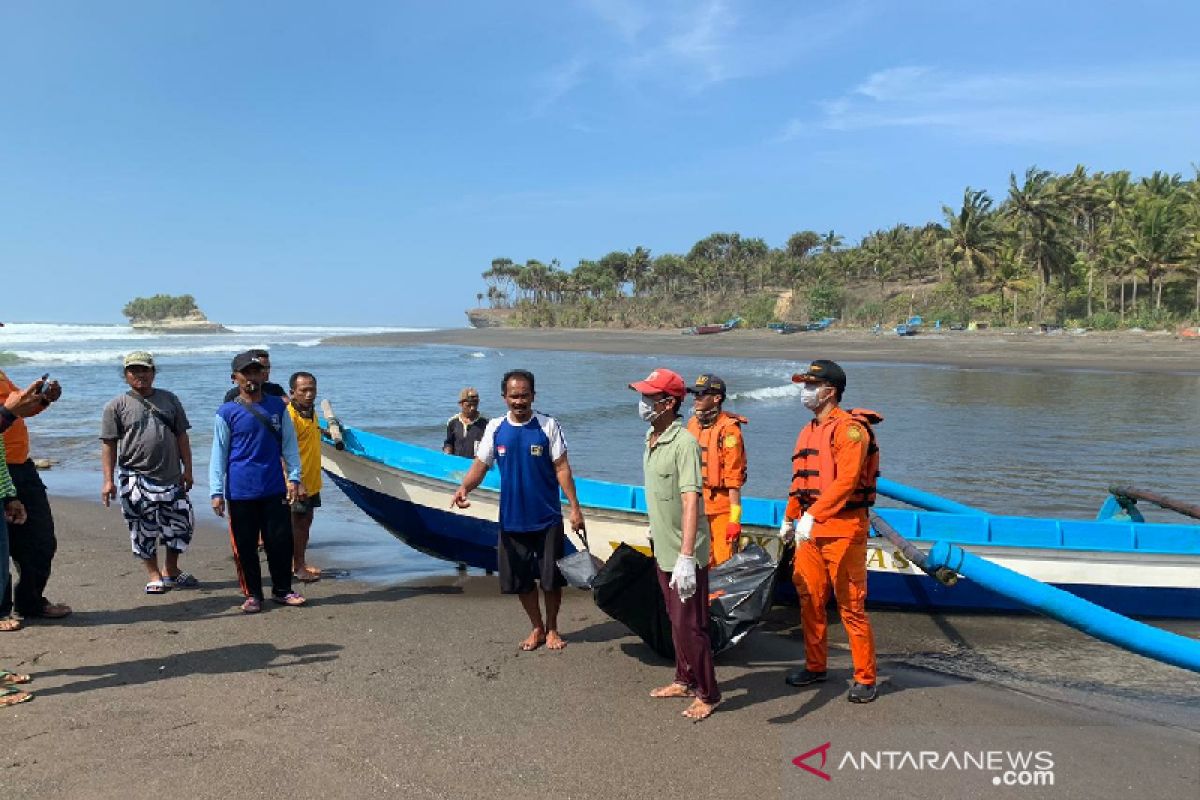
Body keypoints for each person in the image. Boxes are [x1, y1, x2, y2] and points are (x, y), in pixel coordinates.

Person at [451, 370, 584, 652]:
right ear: (504, 398)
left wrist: (575, 508)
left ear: (533, 396)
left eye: (524, 395)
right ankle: (536, 627)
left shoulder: (548, 425)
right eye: (514, 396)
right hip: (512, 519)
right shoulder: (496, 428)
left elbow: (562, 468)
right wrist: (464, 488)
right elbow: (481, 465)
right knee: (521, 580)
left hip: (547, 518)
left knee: (550, 580)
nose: (519, 401)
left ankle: (553, 628)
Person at [781, 359, 882, 703]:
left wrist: (814, 516)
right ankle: (815, 665)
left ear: (830, 391)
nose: (805, 391)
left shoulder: (851, 430)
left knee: (851, 605)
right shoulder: (808, 430)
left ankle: (865, 677)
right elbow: (800, 483)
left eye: (811, 385)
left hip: (844, 528)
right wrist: (790, 518)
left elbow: (846, 482)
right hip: (811, 530)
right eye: (804, 385)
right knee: (809, 597)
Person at [629, 368, 720, 721]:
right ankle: (683, 677)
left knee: (690, 624)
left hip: (685, 553)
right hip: (663, 546)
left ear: (668, 403)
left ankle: (708, 692)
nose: (643, 403)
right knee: (674, 619)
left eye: (649, 397)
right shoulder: (651, 438)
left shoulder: (684, 444)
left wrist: (686, 556)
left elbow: (690, 499)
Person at [210, 352, 306, 613]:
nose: (251, 377)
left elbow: (289, 446)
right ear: (235, 378)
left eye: (256, 372)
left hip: (274, 486)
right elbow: (218, 453)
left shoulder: (278, 406)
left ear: (263, 375)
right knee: (245, 546)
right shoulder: (227, 412)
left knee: (280, 542)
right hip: (240, 490)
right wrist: (216, 491)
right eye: (246, 373)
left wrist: (295, 477)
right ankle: (253, 594)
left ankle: (282, 590)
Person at [100, 352, 198, 594]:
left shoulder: (170, 399)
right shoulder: (116, 406)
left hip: (172, 476)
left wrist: (188, 470)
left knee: (181, 524)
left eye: (145, 370)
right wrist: (108, 481)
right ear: (126, 376)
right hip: (135, 477)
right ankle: (154, 575)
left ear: (153, 372)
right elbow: (109, 444)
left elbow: (182, 436)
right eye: (134, 371)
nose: (140, 375)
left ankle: (171, 570)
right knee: (143, 528)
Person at [0, 368, 71, 625]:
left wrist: (43, 399)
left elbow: (19, 409)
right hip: (2, 466)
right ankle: (1, 610)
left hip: (19, 465)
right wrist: (10, 411)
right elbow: (9, 412)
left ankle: (30, 601)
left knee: (40, 540)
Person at [684, 373, 748, 566]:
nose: (696, 399)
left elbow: (734, 478)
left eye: (701, 395)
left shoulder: (730, 431)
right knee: (700, 561)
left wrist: (734, 519)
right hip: (696, 505)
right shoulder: (692, 424)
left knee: (723, 562)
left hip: (721, 508)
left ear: (716, 398)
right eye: (694, 394)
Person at [286, 371, 323, 582]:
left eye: (312, 390)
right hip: (297, 482)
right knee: (297, 524)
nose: (309, 395)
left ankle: (300, 562)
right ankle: (297, 566)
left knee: (306, 521)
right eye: (303, 391)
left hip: (312, 480)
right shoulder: (289, 416)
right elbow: (282, 451)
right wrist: (292, 481)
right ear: (293, 393)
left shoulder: (310, 412)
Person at [443, 387, 488, 458]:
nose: (472, 408)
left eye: (475, 405)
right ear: (461, 404)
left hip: (476, 465)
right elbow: (449, 443)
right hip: (457, 465)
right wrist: (447, 453)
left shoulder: (485, 424)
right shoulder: (453, 422)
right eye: (468, 405)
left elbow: (489, 447)